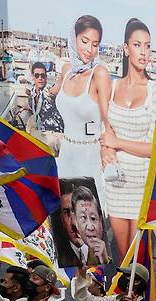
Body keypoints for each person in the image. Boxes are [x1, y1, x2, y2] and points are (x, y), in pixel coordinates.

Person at [99, 17, 156, 258]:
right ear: (126, 48)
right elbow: (104, 133)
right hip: (115, 183)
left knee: (140, 257)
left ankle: (141, 296)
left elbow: (155, 147)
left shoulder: (154, 89)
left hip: (141, 184)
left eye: (148, 45)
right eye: (138, 45)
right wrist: (106, 151)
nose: (144, 52)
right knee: (123, 256)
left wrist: (118, 144)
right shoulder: (113, 87)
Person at [49, 15, 113, 201]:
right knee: (65, 220)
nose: (89, 49)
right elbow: (52, 95)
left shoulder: (99, 73)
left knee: (89, 219)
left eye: (95, 44)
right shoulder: (66, 70)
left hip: (90, 157)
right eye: (85, 41)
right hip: (66, 153)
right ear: (73, 38)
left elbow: (109, 121)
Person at [55, 180, 91, 268]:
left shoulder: (104, 253)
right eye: (66, 213)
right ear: (61, 219)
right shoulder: (57, 258)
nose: (74, 224)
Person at [72, 185, 110, 265]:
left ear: (100, 219)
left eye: (93, 218)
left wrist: (105, 260)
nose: (90, 227)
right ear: (75, 221)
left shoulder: (112, 255)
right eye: (83, 218)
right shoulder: (72, 261)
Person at [27, 62, 64, 133]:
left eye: (42, 75)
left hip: (55, 134)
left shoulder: (48, 90)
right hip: (42, 133)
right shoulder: (32, 94)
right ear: (33, 77)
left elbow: (54, 90)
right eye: (37, 75)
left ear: (46, 77)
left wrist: (64, 73)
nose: (40, 78)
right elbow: (31, 104)